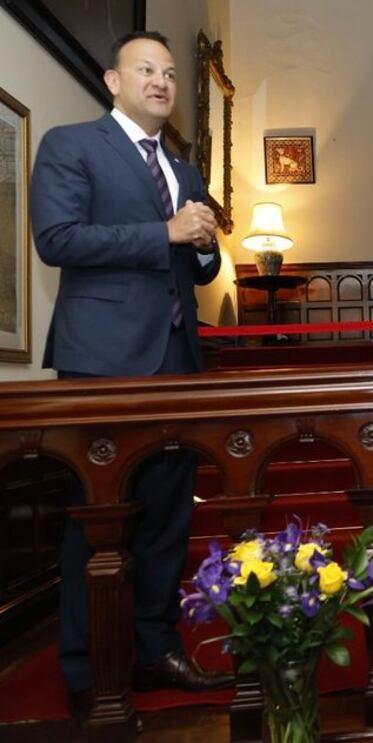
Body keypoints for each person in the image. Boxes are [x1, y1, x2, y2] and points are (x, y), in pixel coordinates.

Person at [29, 31, 233, 726]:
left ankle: (155, 648)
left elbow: (198, 265)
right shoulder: (71, 144)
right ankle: (88, 671)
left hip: (179, 360)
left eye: (170, 73)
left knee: (169, 519)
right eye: (145, 69)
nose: (161, 81)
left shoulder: (183, 166)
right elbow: (56, 238)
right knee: (98, 522)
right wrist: (165, 233)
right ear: (113, 81)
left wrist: (205, 246)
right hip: (102, 361)